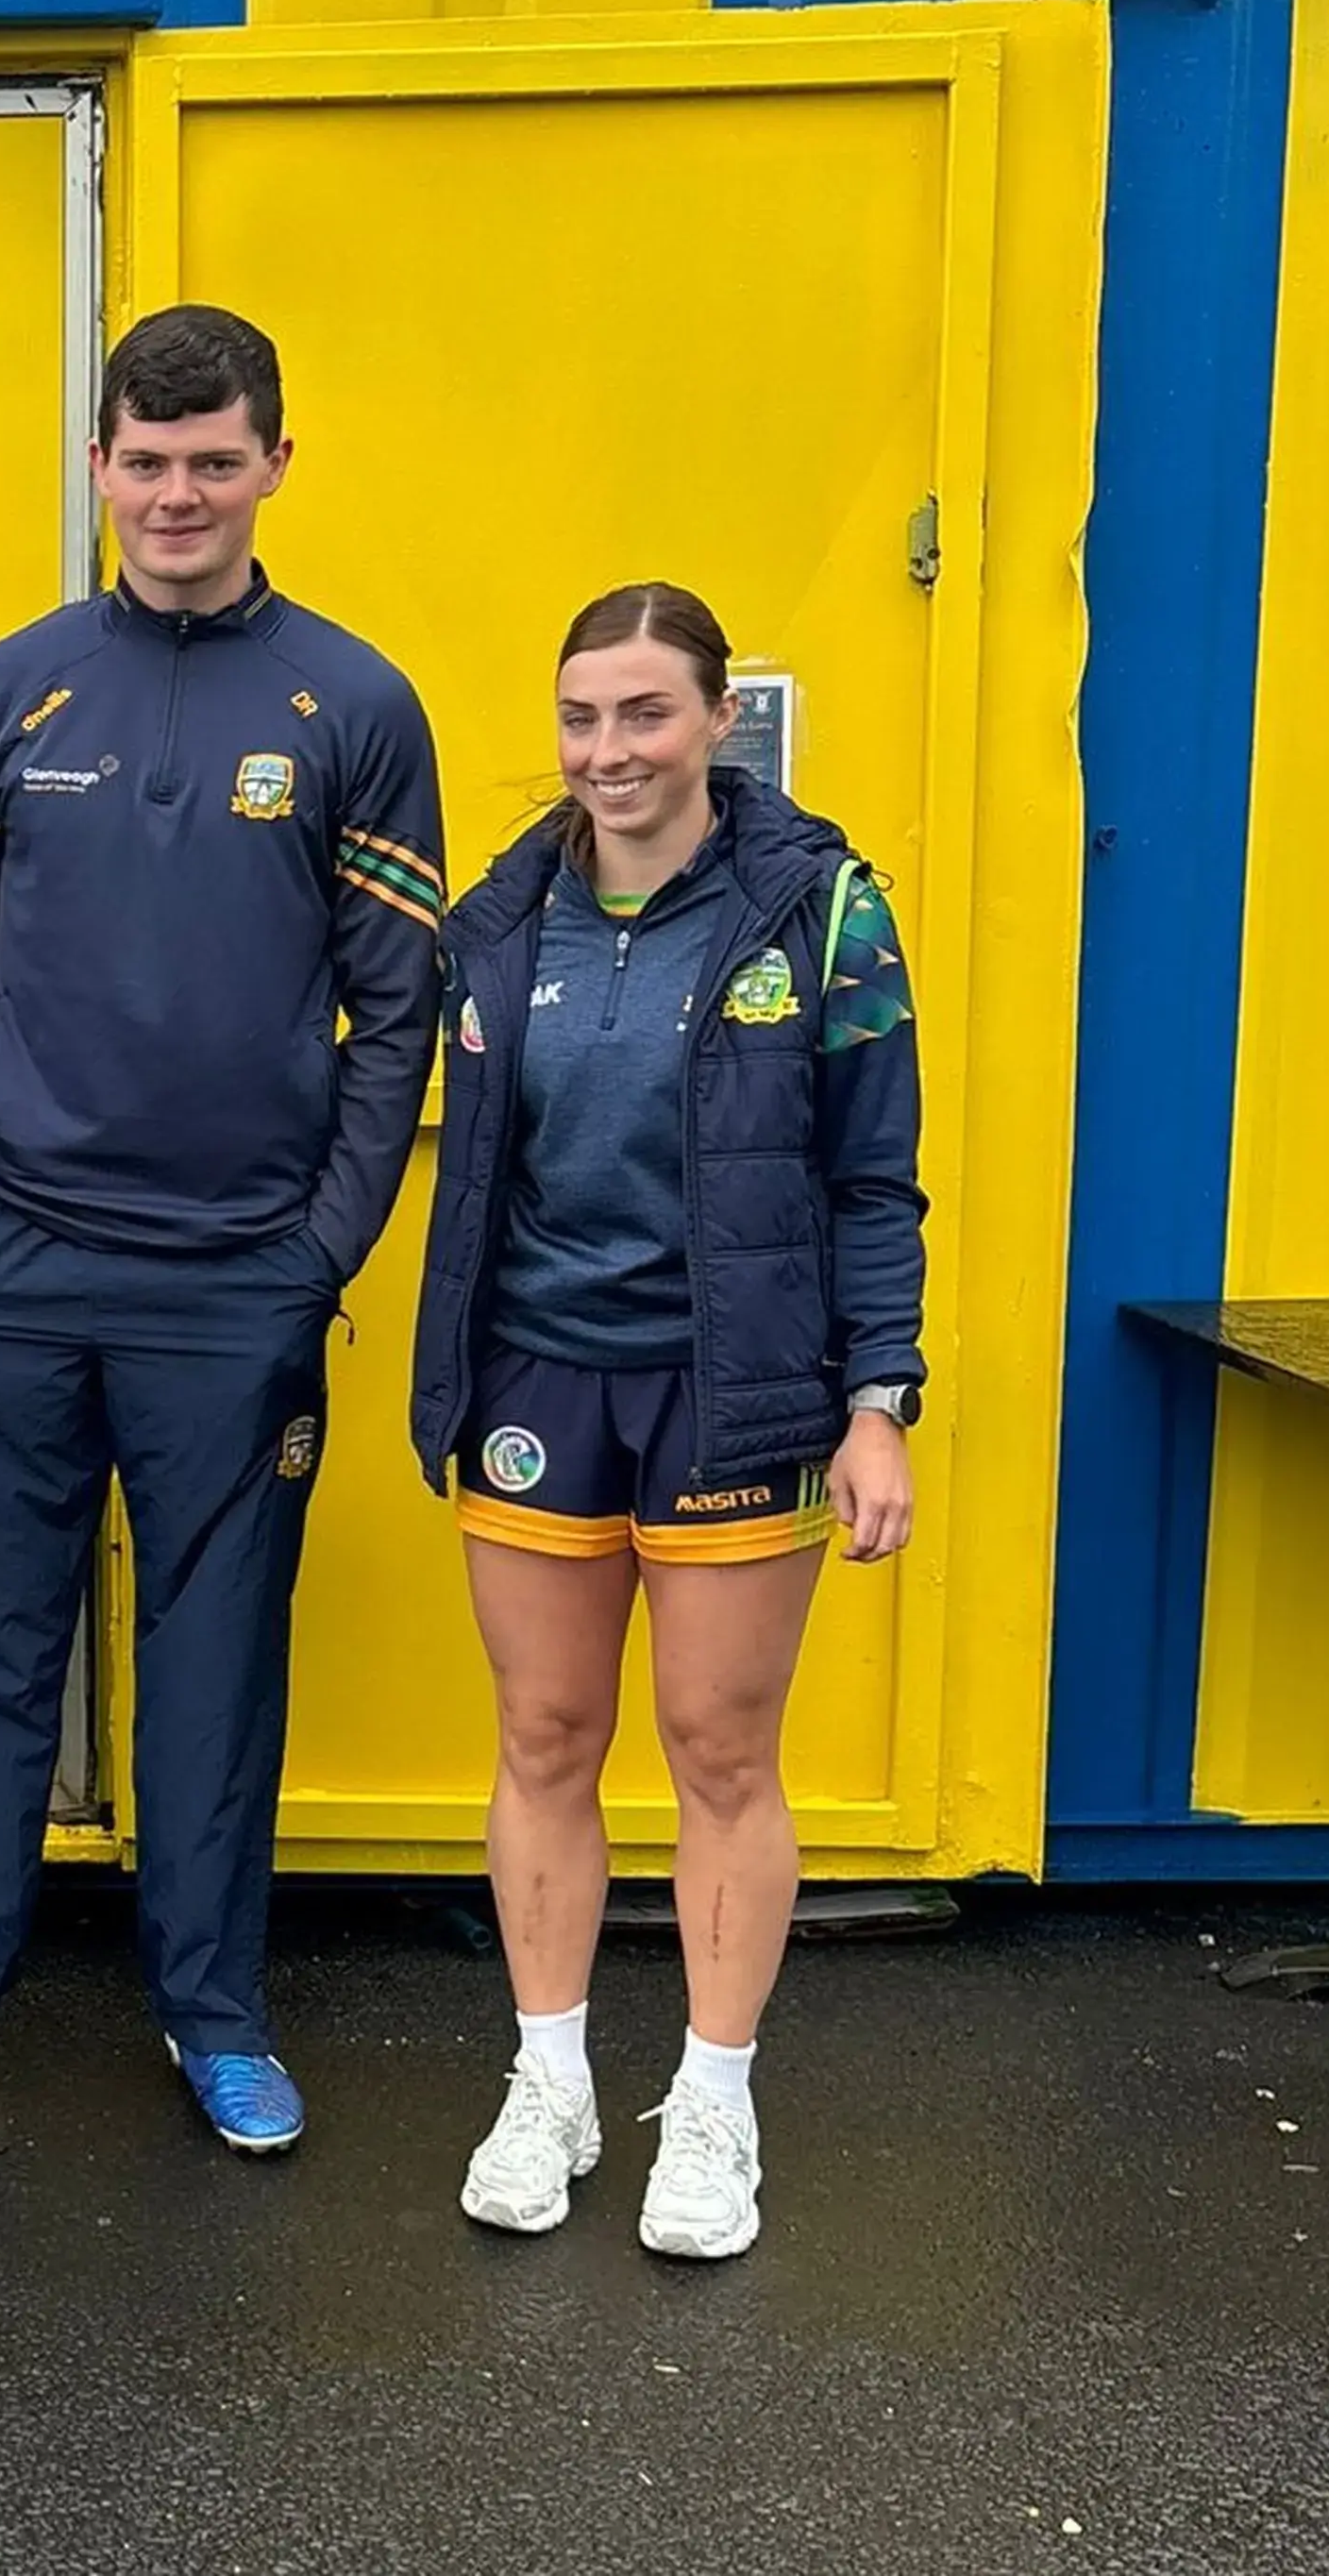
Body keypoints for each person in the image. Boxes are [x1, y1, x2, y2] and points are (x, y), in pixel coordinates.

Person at [0, 305, 446, 2152]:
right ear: (101, 467)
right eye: (146, 461)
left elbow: (395, 1004)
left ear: (271, 462)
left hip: (235, 1275)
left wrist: (321, 1242)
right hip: (3, 1258)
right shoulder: (10, 688)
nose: (178, 493)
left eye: (213, 459)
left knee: (214, 1655)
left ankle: (215, 2007)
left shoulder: (357, 703)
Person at [412, 581, 921, 2261]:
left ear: (717, 719)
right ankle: (547, 2077)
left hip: (738, 1384)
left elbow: (871, 1178)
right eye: (581, 717)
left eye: (644, 713)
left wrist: (876, 1402)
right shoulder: (498, 920)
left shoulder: (821, 912)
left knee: (719, 1751)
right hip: (539, 1379)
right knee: (546, 1741)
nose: (608, 750)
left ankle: (714, 2100)